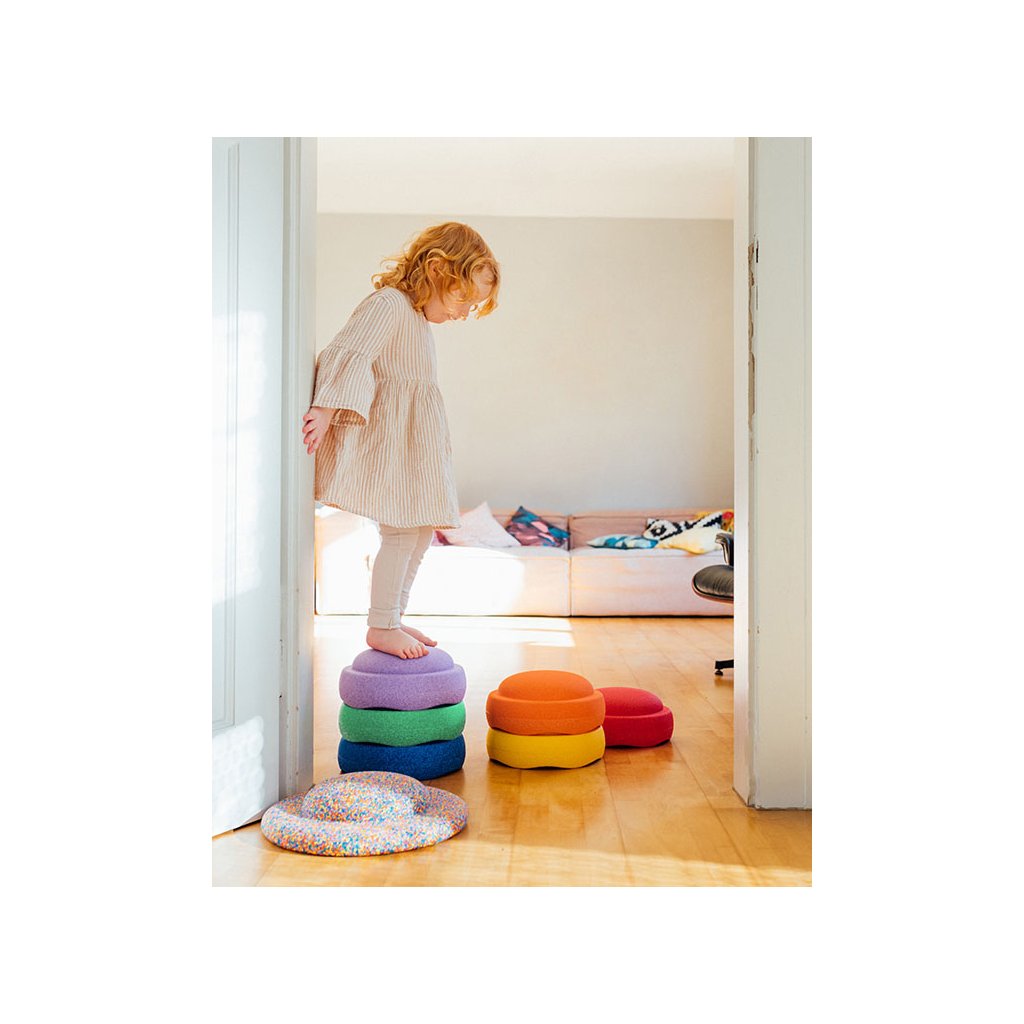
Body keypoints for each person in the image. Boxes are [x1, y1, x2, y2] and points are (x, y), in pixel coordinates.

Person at [302, 222, 500, 659]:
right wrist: (326, 409)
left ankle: (392, 614)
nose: (464, 313)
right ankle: (382, 625)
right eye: (463, 299)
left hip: (415, 443)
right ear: (436, 269)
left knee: (421, 529)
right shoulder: (389, 304)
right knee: (400, 531)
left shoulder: (417, 320)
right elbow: (350, 351)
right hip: (394, 443)